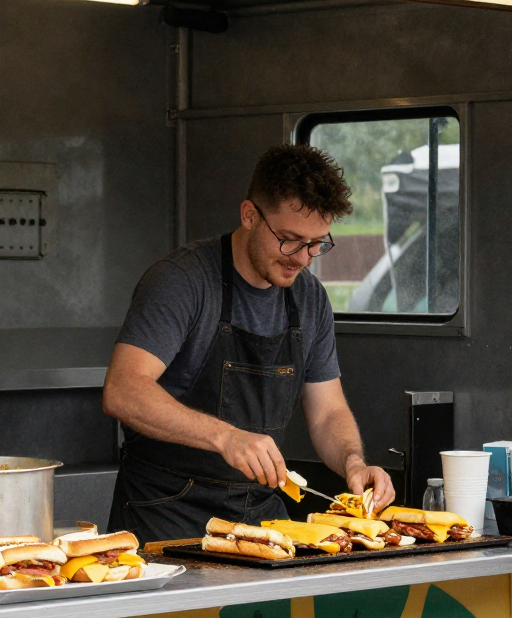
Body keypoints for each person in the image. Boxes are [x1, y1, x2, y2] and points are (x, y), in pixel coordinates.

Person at [105, 143, 395, 541]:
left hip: (259, 518)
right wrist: (226, 437)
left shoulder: (310, 299)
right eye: (290, 240)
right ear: (249, 216)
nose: (303, 258)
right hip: (166, 516)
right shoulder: (182, 282)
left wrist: (353, 463)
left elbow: (327, 411)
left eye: (317, 243)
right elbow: (123, 391)